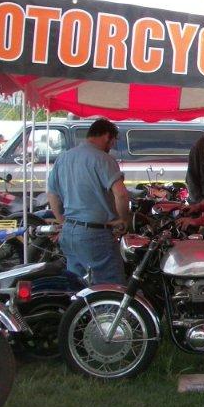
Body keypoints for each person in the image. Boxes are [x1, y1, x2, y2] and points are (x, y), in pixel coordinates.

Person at [46, 118, 131, 284]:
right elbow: (121, 195)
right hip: (95, 235)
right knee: (110, 289)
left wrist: (62, 222)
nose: (111, 146)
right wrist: (124, 220)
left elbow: (52, 195)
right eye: (113, 142)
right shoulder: (103, 159)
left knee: (79, 287)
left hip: (69, 232)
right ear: (107, 136)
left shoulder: (64, 158)